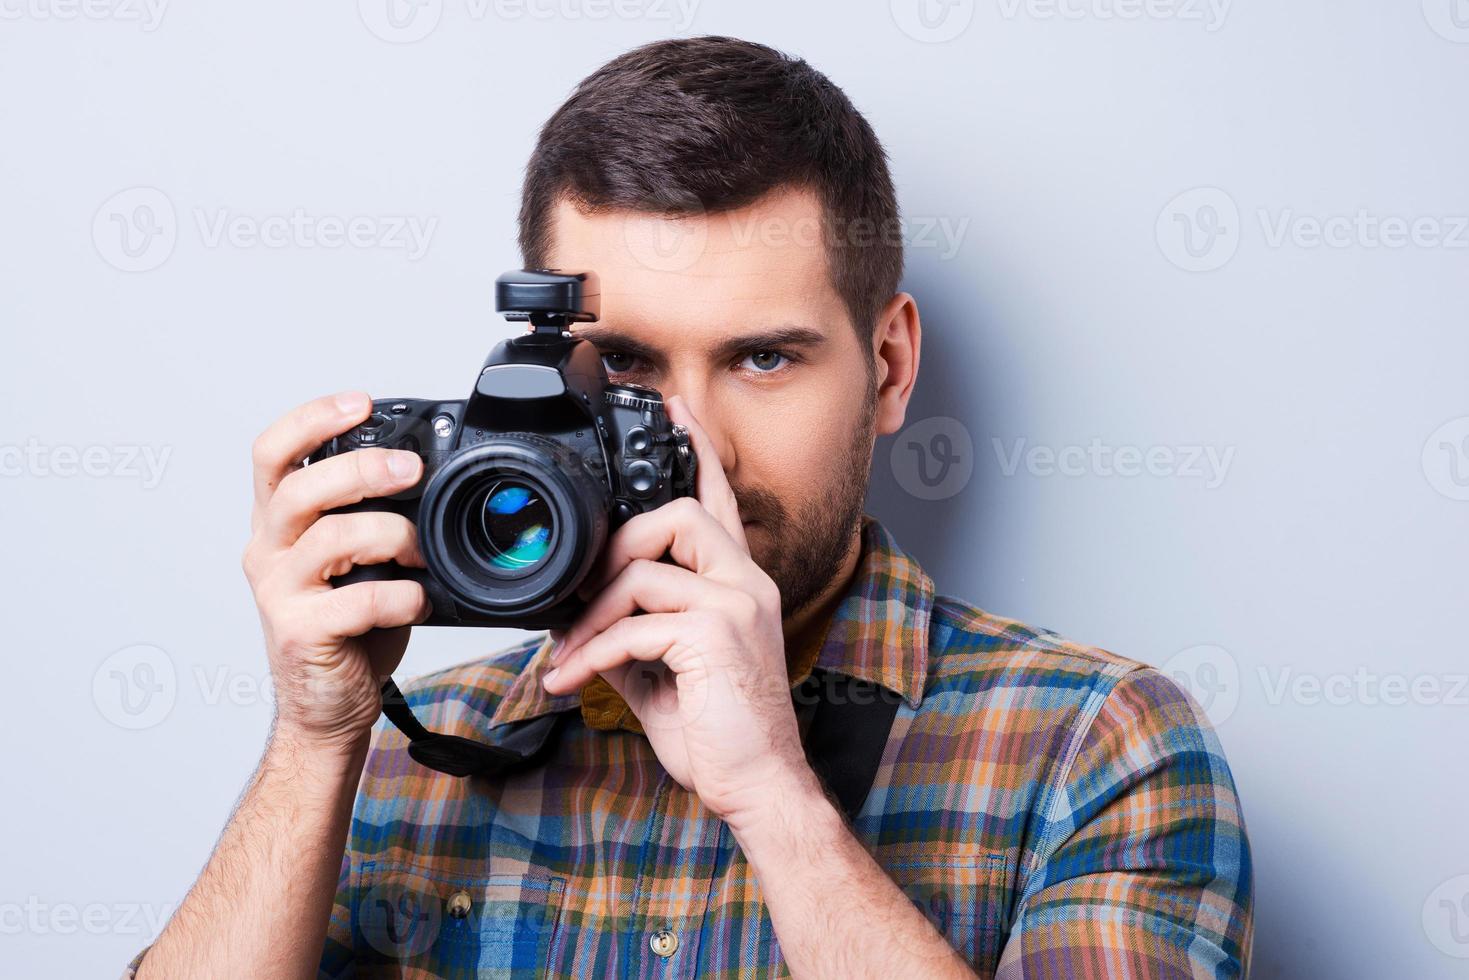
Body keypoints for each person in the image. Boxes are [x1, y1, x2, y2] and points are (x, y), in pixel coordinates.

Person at [128, 36, 1252, 979]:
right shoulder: (411, 750)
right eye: (620, 365)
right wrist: (313, 742)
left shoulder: (1093, 746)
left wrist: (771, 792)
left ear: (890, 366)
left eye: (763, 357)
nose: (693, 439)